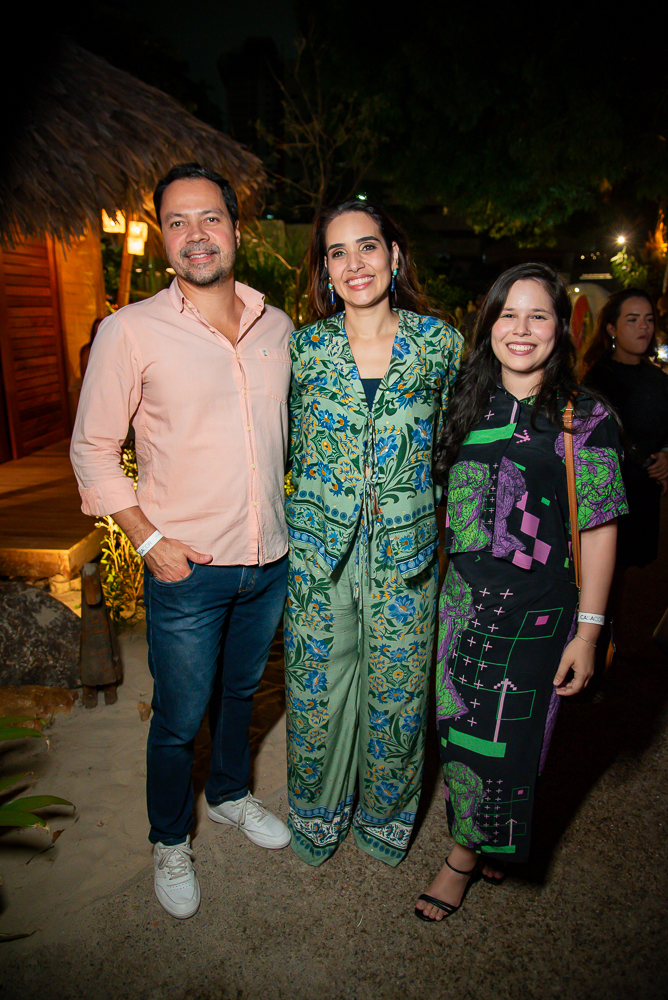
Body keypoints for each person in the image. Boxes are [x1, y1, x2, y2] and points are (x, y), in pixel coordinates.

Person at [70, 163, 294, 920]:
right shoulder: (129, 330)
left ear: (236, 229)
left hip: (268, 560)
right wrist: (148, 539)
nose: (196, 235)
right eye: (177, 222)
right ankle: (170, 838)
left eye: (210, 218)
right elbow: (92, 448)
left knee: (241, 694)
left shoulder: (278, 327)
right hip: (186, 568)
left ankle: (228, 794)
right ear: (163, 238)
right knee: (176, 716)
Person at [415, 263, 627, 922]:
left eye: (539, 315)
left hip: (538, 613)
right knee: (458, 734)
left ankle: (462, 856)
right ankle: (489, 839)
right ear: (488, 324)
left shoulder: (584, 417)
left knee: (509, 741)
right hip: (462, 607)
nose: (522, 328)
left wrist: (589, 632)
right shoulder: (465, 403)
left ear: (561, 328)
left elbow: (599, 529)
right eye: (508, 313)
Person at [285, 199, 462, 867]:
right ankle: (318, 816)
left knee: (397, 694)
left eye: (367, 246)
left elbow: (456, 445)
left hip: (406, 553)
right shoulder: (304, 349)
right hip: (318, 554)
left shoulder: (439, 344)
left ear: (394, 255)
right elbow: (282, 445)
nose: (354, 263)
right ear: (325, 269)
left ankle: (384, 821)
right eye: (337, 252)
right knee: (316, 692)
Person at [583, 289, 668, 568]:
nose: (643, 326)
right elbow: (602, 437)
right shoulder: (598, 378)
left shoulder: (659, 379)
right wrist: (648, 463)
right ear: (612, 328)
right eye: (632, 319)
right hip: (610, 497)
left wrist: (666, 456)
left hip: (649, 495)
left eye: (648, 319)